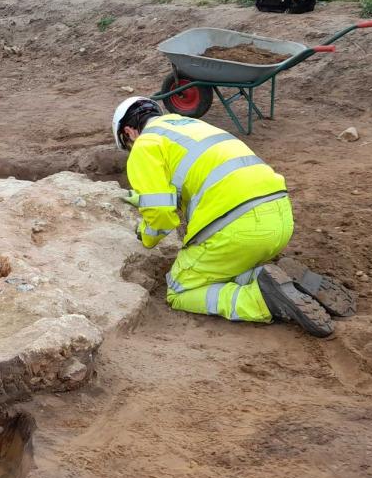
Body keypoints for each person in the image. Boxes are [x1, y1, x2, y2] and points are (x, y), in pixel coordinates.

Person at [112, 96, 354, 337]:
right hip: (279, 220)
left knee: (179, 290)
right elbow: (197, 177)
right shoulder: (191, 128)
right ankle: (283, 279)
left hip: (237, 230)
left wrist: (146, 236)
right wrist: (141, 197)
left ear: (129, 132)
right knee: (222, 269)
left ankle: (260, 299)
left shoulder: (144, 145)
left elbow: (161, 215)